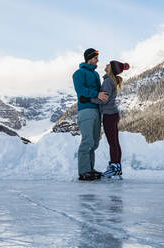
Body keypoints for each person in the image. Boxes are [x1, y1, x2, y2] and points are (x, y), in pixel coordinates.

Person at [80, 60, 129, 177]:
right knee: (115, 142)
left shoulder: (108, 81)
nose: (106, 65)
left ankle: (114, 168)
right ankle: (116, 167)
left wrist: (88, 99)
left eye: (109, 64)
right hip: (112, 114)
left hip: (109, 115)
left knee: (113, 143)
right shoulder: (110, 80)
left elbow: (103, 98)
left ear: (111, 68)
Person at [73, 48, 108, 181]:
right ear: (88, 58)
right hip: (86, 110)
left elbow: (100, 91)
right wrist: (96, 94)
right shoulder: (79, 73)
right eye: (95, 58)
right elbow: (80, 90)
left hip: (96, 110)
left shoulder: (96, 74)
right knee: (87, 140)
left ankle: (90, 169)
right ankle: (83, 172)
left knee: (94, 142)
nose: (97, 60)